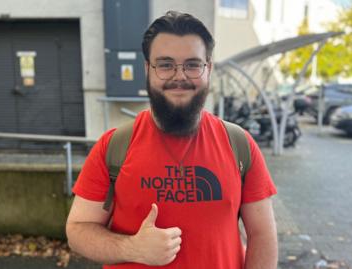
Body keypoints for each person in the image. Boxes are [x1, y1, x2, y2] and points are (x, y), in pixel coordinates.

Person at [66, 11, 278, 269]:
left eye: (192, 64)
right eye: (165, 64)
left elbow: (263, 235)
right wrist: (132, 248)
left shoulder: (240, 145)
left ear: (208, 68)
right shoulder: (113, 147)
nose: (180, 76)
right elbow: (78, 230)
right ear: (147, 69)